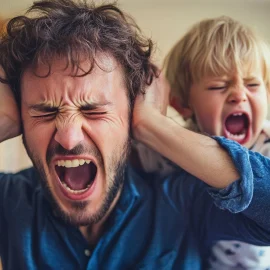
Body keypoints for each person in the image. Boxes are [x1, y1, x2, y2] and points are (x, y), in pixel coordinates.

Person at [1, 1, 270, 269]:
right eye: (45, 112)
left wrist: (152, 125)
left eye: (93, 110)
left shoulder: (183, 201)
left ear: (131, 117)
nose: (69, 138)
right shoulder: (10, 201)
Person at [164, 16, 270, 269]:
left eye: (252, 84)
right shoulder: (181, 145)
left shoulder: (267, 145)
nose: (239, 95)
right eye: (218, 86)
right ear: (182, 104)